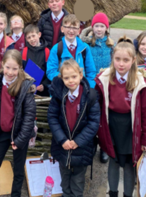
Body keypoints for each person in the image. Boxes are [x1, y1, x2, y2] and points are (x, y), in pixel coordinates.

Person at [95, 36, 146, 197]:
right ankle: (112, 193)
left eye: (126, 60)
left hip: (131, 128)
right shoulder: (104, 79)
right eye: (117, 59)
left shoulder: (139, 83)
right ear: (112, 58)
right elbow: (96, 107)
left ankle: (128, 194)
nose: (121, 64)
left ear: (133, 60)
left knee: (130, 164)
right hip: (111, 126)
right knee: (113, 162)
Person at [0, 49, 36, 197]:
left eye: (15, 68)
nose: (10, 72)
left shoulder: (26, 86)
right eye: (7, 67)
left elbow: (29, 116)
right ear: (2, 65)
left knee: (18, 171)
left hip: (19, 135)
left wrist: (20, 140)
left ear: (20, 68)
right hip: (0, 134)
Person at [48, 59, 100, 197]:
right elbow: (52, 118)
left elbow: (93, 123)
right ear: (62, 78)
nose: (71, 81)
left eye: (74, 76)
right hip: (62, 146)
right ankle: (66, 194)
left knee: (78, 181)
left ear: (80, 75)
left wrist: (77, 141)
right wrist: (62, 140)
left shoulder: (91, 96)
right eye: (66, 78)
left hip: (81, 147)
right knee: (64, 178)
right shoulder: (59, 96)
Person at [80, 12, 114, 163]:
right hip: (91, 86)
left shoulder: (111, 46)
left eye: (102, 26)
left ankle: (104, 147)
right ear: (92, 28)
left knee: (105, 118)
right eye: (96, 26)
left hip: (107, 86)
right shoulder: (87, 45)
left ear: (106, 28)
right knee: (91, 116)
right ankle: (91, 144)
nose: (99, 29)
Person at [46, 14, 97, 88]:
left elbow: (91, 72)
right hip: (62, 88)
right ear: (62, 29)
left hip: (81, 88)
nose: (71, 31)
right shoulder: (56, 49)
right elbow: (51, 72)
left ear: (79, 31)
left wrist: (89, 87)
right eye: (68, 27)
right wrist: (67, 79)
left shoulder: (85, 48)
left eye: (74, 28)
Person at [21, 24, 51, 96]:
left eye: (33, 36)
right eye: (29, 37)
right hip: (28, 90)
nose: (31, 39)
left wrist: (44, 85)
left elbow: (50, 71)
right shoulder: (24, 52)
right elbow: (21, 70)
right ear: (26, 39)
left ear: (39, 34)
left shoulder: (47, 52)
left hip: (43, 91)